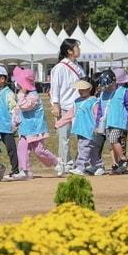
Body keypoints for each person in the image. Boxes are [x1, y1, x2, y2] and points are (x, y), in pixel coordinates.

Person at [11, 67, 62, 179]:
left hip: (36, 129)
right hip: (25, 128)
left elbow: (24, 106)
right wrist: (15, 122)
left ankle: (56, 162)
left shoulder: (33, 95)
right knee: (22, 148)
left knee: (39, 150)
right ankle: (25, 170)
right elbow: (18, 110)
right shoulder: (24, 95)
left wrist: (21, 94)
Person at [49, 39, 87, 167]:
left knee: (81, 137)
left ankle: (80, 162)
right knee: (64, 137)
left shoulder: (79, 67)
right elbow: (55, 88)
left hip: (79, 106)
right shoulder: (59, 68)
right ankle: (66, 163)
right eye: (77, 47)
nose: (79, 50)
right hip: (65, 106)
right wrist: (55, 104)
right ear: (69, 51)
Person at [101, 69, 128, 174]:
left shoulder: (124, 92)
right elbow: (100, 109)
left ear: (114, 81)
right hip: (107, 122)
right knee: (111, 144)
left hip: (119, 122)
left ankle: (123, 159)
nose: (107, 88)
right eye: (105, 86)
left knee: (113, 139)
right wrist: (98, 122)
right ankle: (116, 164)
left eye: (109, 85)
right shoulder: (103, 94)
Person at [0, 64, 21, 178]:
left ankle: (15, 170)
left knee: (11, 149)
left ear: (2, 79)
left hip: (7, 127)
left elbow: (14, 109)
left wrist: (14, 123)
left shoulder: (8, 93)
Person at [69, 79, 101, 176]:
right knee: (91, 149)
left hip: (89, 129)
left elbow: (97, 115)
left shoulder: (93, 101)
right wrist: (59, 123)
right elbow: (70, 114)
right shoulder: (76, 101)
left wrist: (98, 127)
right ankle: (98, 166)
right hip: (80, 129)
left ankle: (80, 167)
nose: (80, 91)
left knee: (84, 148)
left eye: (83, 89)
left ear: (90, 89)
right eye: (79, 89)